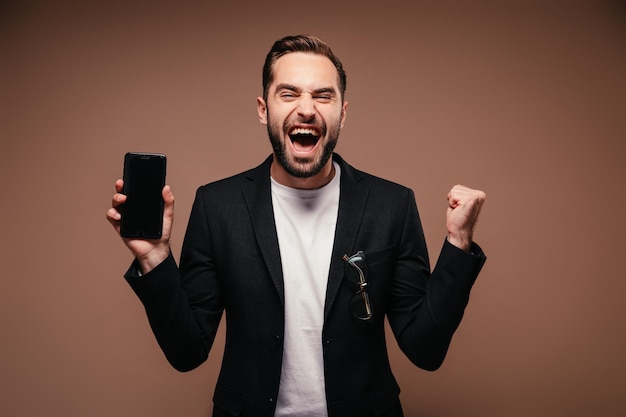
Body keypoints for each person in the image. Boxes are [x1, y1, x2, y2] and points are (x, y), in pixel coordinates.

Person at [107, 34, 487, 417]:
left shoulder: (392, 205)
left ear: (343, 112)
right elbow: (187, 352)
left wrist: (458, 243)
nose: (306, 109)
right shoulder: (217, 206)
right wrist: (155, 259)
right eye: (288, 94)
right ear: (263, 109)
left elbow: (426, 350)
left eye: (323, 96)